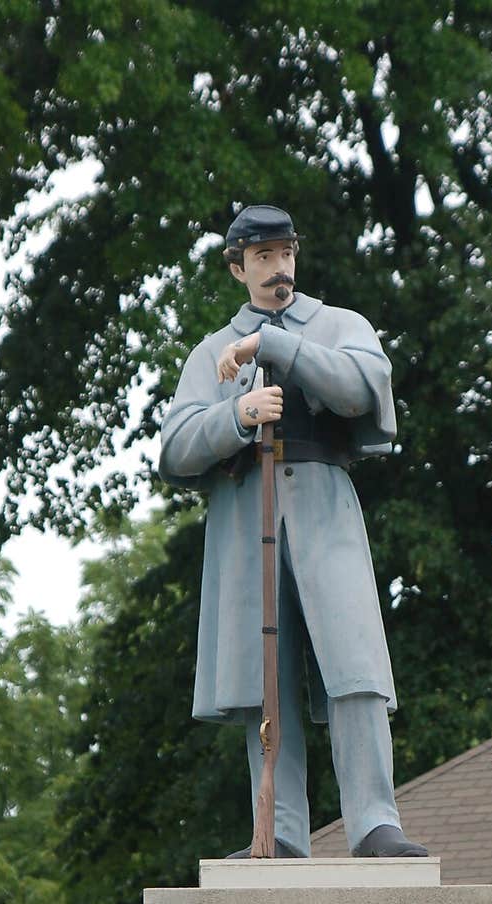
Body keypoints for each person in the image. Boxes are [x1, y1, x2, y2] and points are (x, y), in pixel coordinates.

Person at [159, 204, 427, 859]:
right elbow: (174, 447)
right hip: (248, 522)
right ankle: (278, 831)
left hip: (325, 511)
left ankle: (373, 822)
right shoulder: (210, 351)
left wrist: (278, 347)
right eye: (263, 257)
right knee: (264, 683)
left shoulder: (338, 326)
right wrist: (238, 415)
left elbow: (364, 386)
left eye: (286, 254)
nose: (278, 269)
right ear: (238, 267)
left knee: (355, 667)